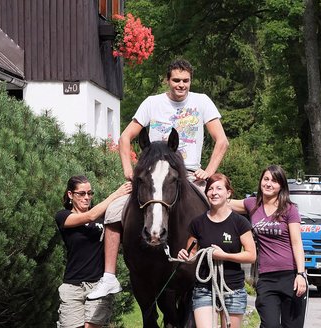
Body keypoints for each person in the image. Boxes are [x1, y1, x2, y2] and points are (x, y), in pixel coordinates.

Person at [88, 58, 229, 299]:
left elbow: (222, 141)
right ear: (167, 80)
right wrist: (128, 169)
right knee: (113, 210)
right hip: (153, 174)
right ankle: (109, 277)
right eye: (176, 80)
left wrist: (208, 170)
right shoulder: (152, 103)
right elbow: (125, 139)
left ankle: (219, 275)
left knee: (219, 214)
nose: (181, 85)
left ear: (190, 81)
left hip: (189, 174)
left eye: (185, 81)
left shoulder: (202, 101)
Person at [230, 165, 308, 328]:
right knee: (270, 325)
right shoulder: (252, 205)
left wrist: (301, 274)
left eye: (274, 180)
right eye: (266, 179)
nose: (269, 184)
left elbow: (297, 243)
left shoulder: (289, 209)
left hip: (291, 277)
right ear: (260, 182)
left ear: (281, 186)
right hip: (266, 278)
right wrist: (203, 185)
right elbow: (223, 202)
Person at [177, 173, 256, 328]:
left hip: (233, 289)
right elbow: (192, 254)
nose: (214, 192)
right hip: (204, 289)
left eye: (219, 188)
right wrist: (185, 255)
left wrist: (224, 256)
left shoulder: (240, 222)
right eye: (210, 189)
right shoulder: (197, 223)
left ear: (228, 193)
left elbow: (251, 255)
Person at [54, 175, 132, 328]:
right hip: (72, 286)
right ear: (70, 195)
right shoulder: (63, 216)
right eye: (81, 194)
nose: (86, 197)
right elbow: (90, 216)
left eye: (89, 193)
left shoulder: (104, 220)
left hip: (98, 285)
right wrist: (116, 194)